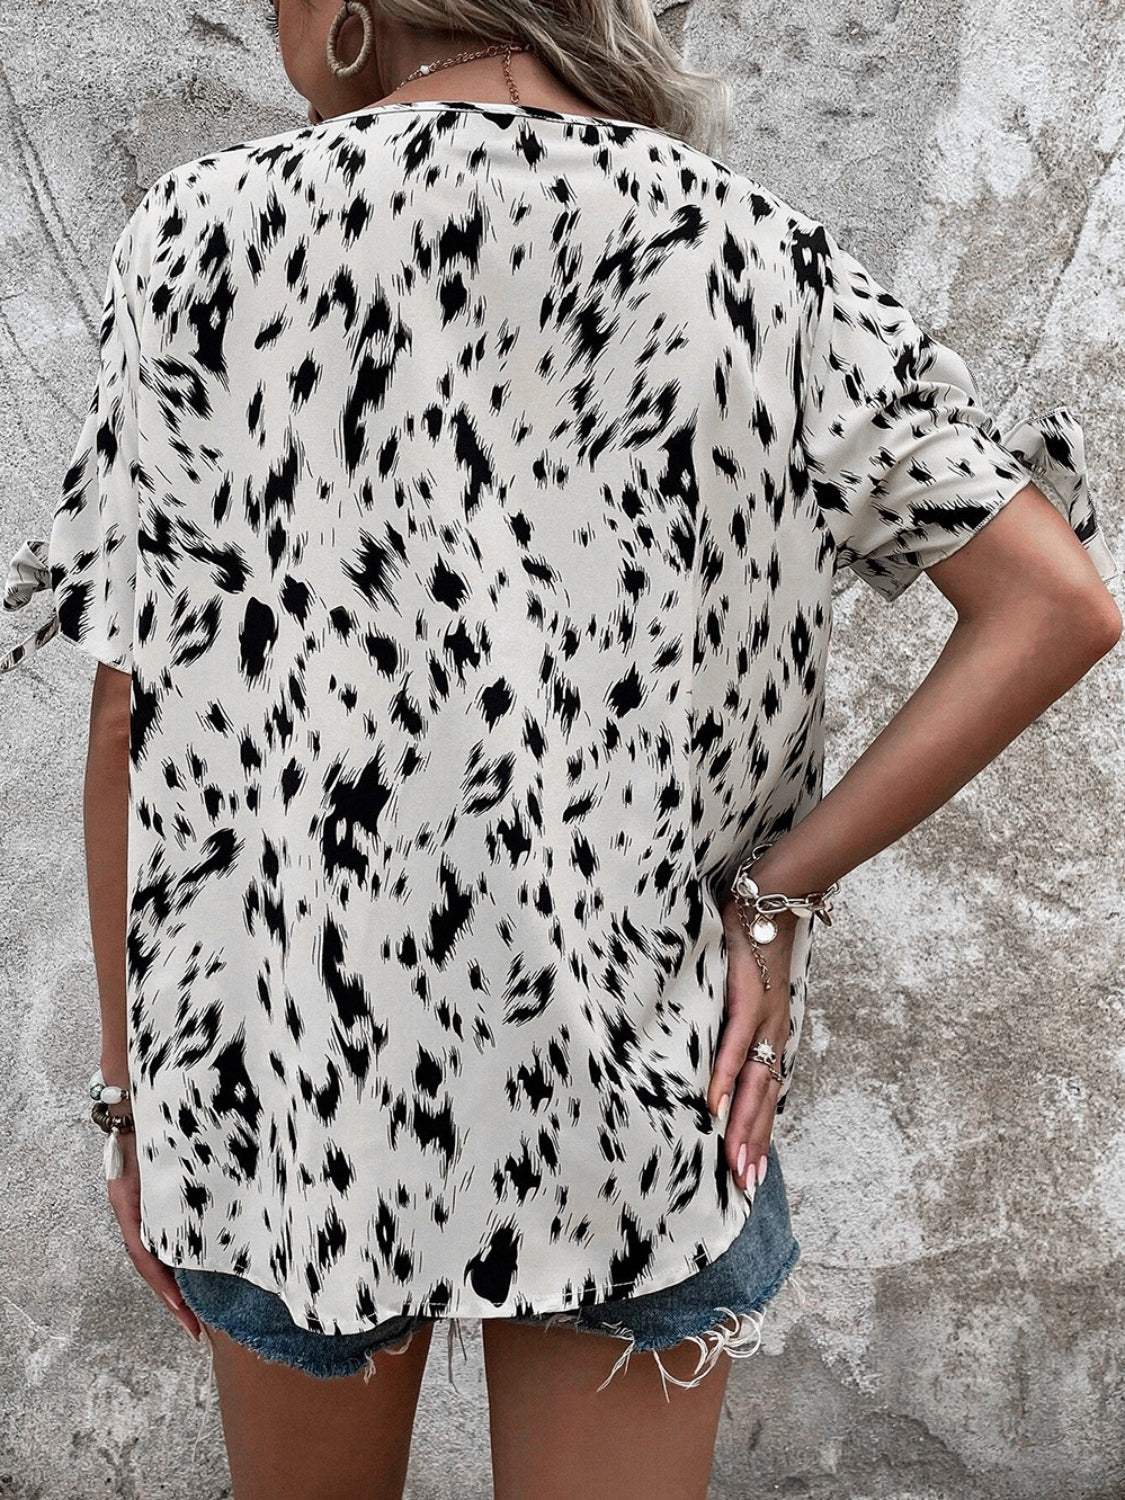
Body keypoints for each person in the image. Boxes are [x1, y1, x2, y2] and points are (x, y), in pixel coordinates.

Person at [1, 2, 1120, 1497]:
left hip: (285, 1082)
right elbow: (1052, 604)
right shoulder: (747, 250)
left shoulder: (200, 235)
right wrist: (776, 895)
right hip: (637, 1077)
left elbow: (130, 704)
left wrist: (132, 1090)